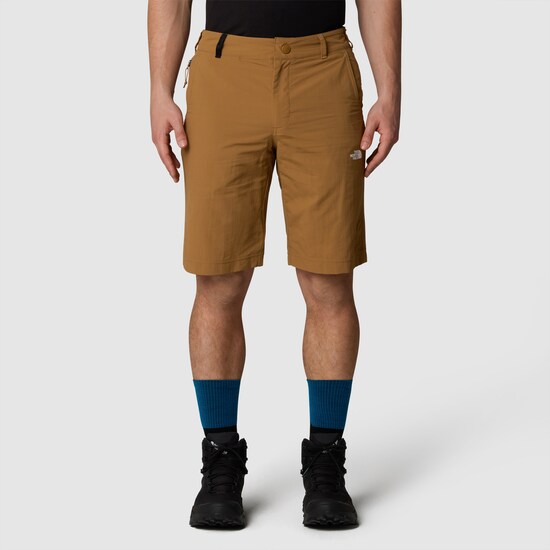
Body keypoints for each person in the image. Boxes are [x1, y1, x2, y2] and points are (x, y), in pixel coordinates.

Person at [148, 0, 401, 529]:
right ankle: (220, 457)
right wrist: (159, 90)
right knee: (219, 277)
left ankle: (326, 460)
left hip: (323, 71)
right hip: (224, 72)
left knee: (328, 276)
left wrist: (389, 89)